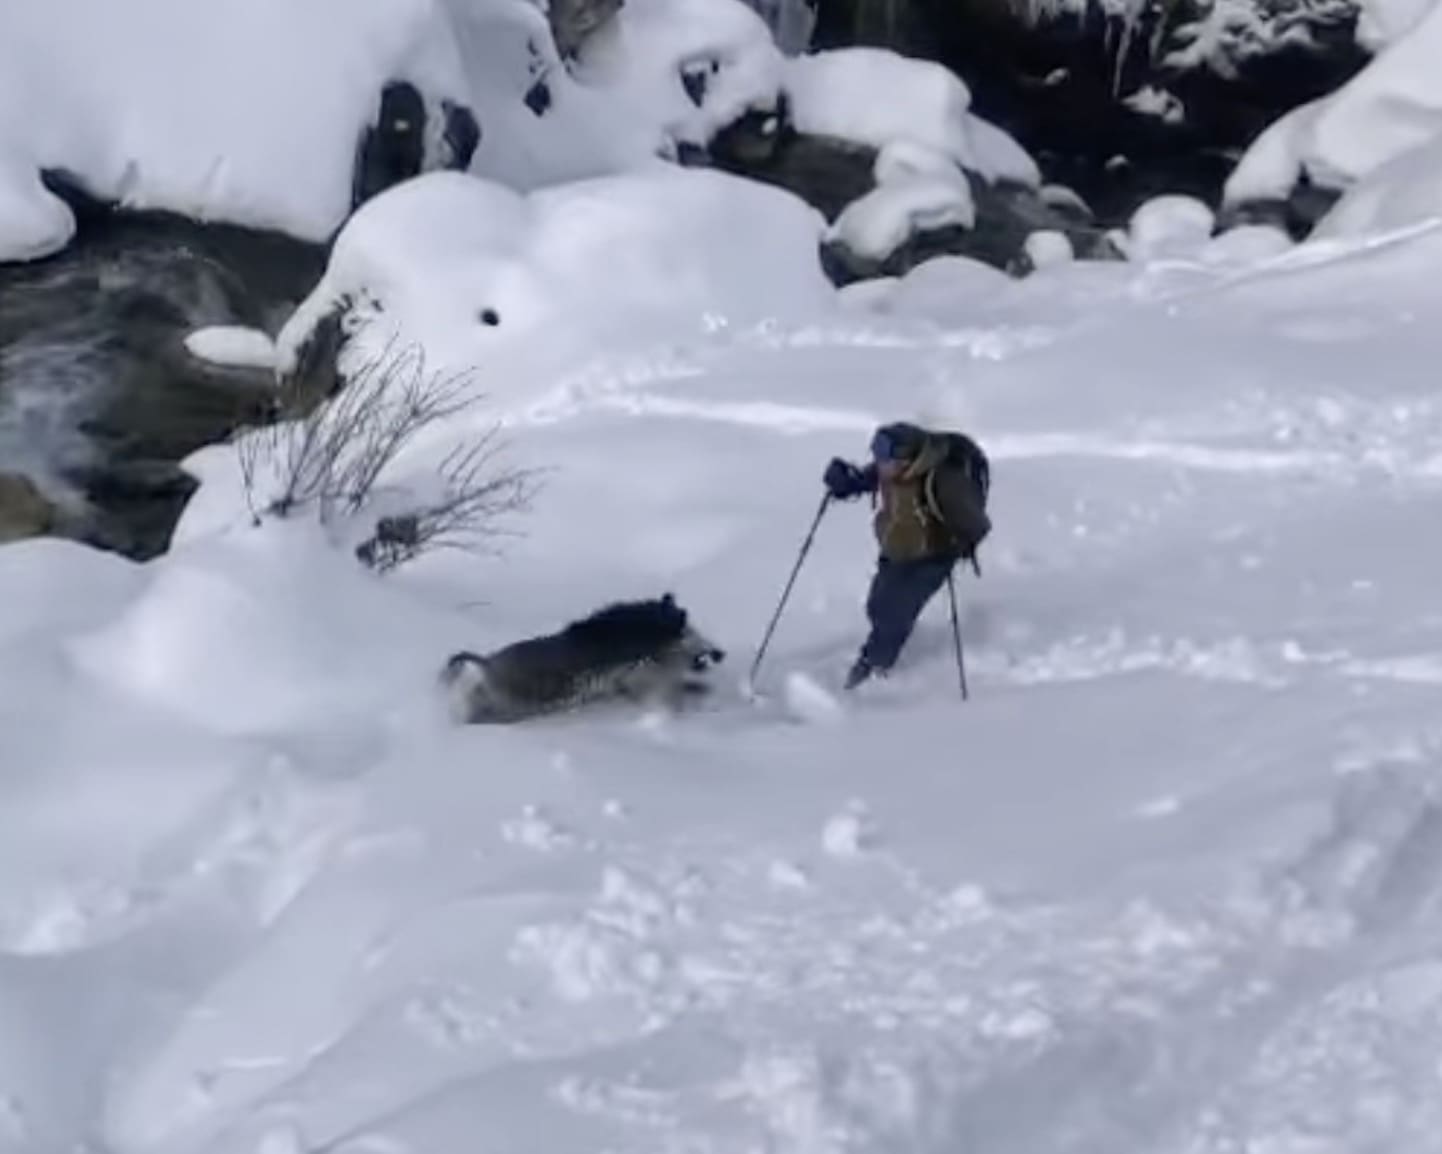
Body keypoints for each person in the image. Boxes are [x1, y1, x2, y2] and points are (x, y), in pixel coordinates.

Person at [823, 421, 992, 689]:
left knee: (896, 612)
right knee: (878, 606)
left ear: (906, 460)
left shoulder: (945, 481)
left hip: (934, 556)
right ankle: (882, 648)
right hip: (898, 549)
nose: (878, 464)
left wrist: (958, 543)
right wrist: (845, 484)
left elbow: (978, 525)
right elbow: (866, 480)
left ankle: (873, 666)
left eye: (884, 458)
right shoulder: (891, 470)